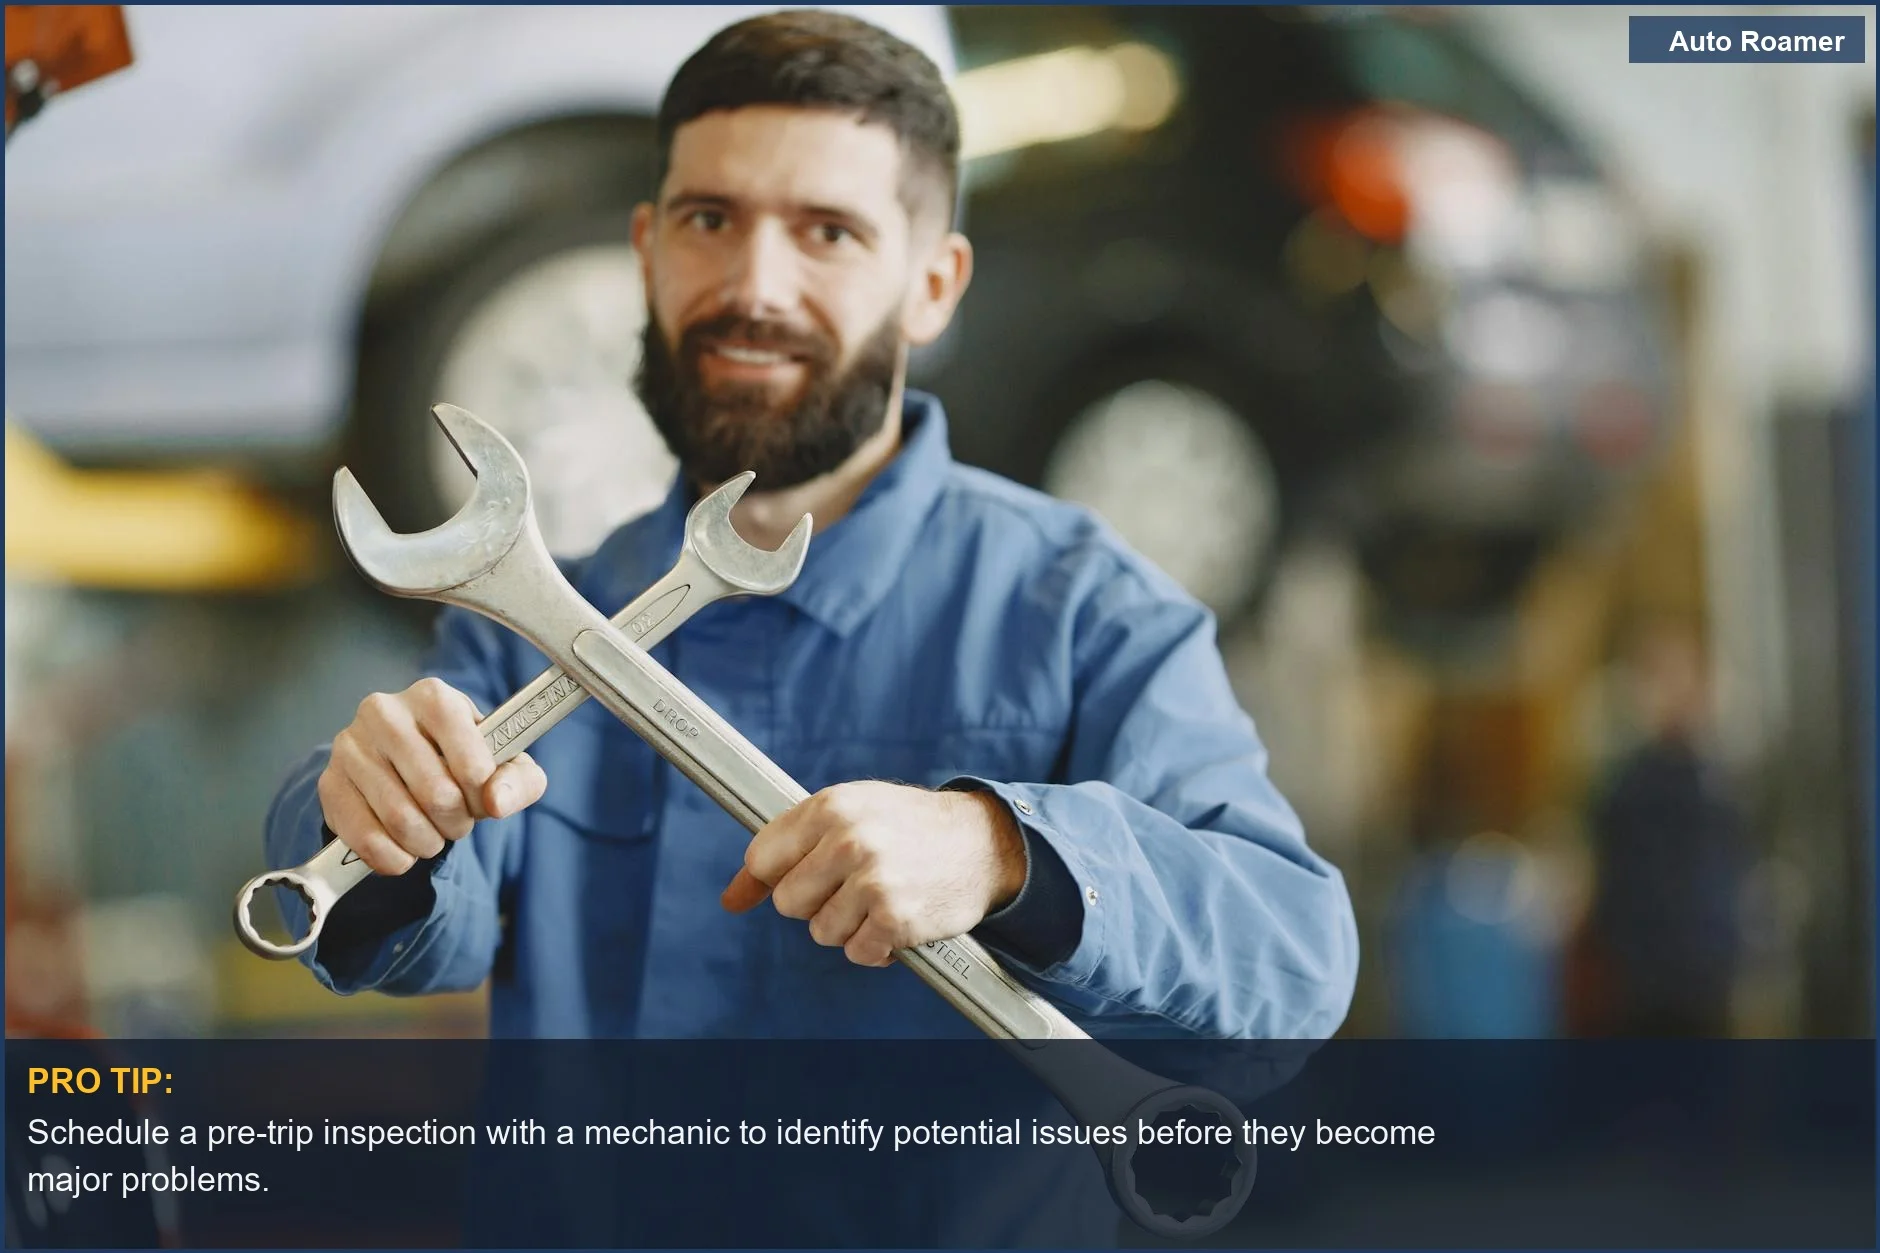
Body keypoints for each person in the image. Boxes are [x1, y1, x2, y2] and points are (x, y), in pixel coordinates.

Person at [264, 9, 1357, 1042]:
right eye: (709, 220)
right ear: (645, 250)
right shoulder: (530, 622)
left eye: (826, 231)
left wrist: (1003, 854)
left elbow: (1291, 959)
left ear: (931, 286)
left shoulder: (1086, 612)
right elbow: (423, 934)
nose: (754, 285)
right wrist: (364, 822)